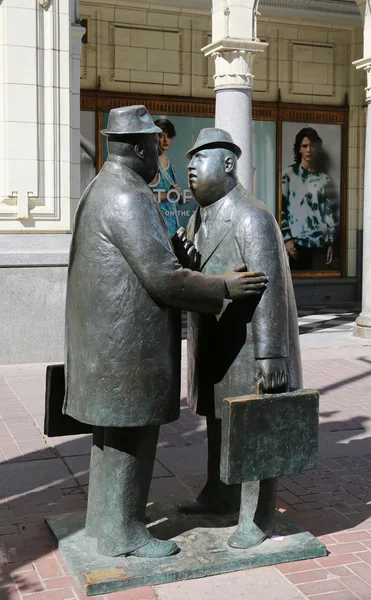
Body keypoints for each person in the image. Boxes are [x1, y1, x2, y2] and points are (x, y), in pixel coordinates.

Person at [63, 107, 266, 559]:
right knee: (132, 437)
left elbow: (152, 267)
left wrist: (177, 258)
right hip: (126, 348)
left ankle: (105, 523)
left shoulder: (104, 187)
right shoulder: (129, 195)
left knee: (113, 439)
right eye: (157, 144)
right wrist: (223, 286)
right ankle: (125, 533)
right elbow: (163, 279)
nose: (163, 152)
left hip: (107, 347)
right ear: (139, 147)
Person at [179, 128, 303, 549]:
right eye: (189, 160)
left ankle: (257, 515)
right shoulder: (199, 217)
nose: (190, 166)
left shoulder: (251, 215)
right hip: (215, 343)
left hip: (250, 347)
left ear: (228, 163)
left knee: (254, 429)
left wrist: (271, 355)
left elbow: (268, 289)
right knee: (218, 422)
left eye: (200, 159)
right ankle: (219, 491)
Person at [281, 127, 337, 270]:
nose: (308, 150)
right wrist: (287, 239)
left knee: (319, 288)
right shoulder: (288, 175)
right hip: (296, 245)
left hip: (320, 244)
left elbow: (329, 213)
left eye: (312, 146)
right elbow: (281, 209)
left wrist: (330, 242)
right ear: (299, 149)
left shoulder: (324, 179)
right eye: (304, 146)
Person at [149, 118, 183, 237]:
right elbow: (143, 197)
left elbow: (177, 197)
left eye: (169, 136)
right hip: (156, 224)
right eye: (161, 136)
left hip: (174, 225)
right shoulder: (150, 164)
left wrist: (181, 196)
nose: (165, 140)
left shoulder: (170, 165)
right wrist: (168, 194)